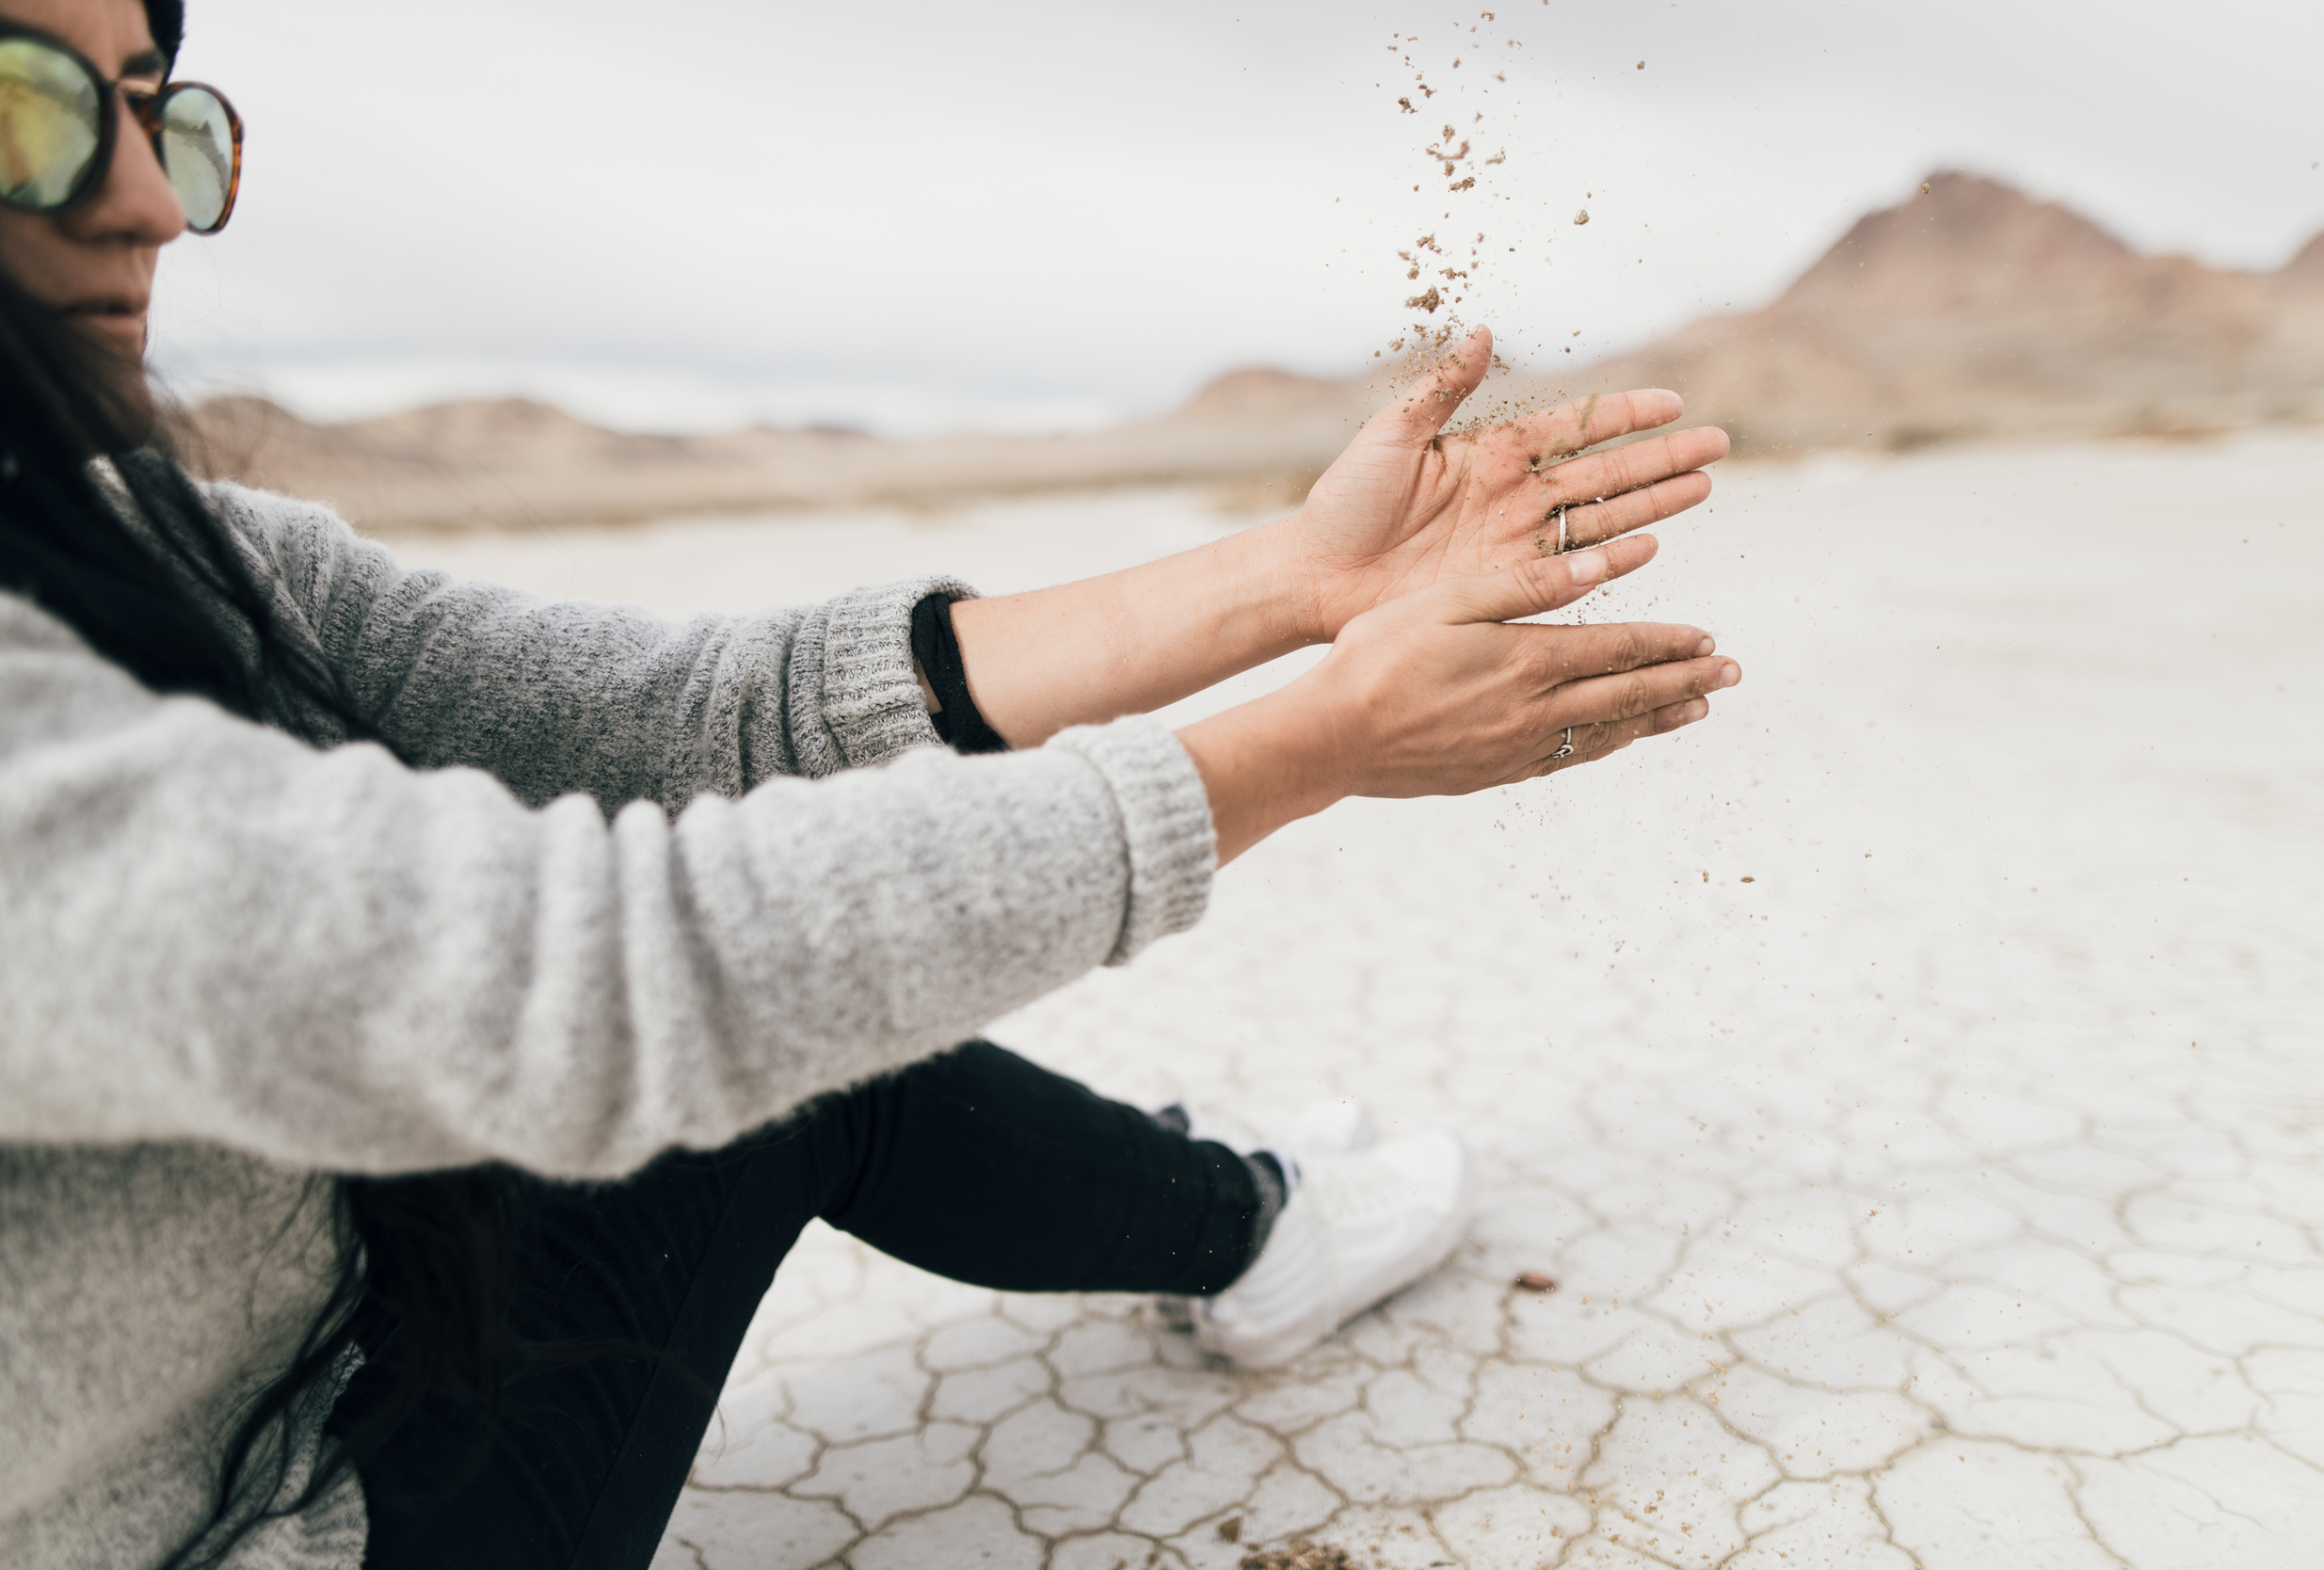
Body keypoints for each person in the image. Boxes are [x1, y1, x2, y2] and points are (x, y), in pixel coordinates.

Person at [0, 2, 1739, 1567]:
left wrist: (1295, 582)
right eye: (33, 107)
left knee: (793, 970)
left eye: (163, 114)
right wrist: (1320, 741)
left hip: (316, 1341)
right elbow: (616, 970)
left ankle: (1239, 1208)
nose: (148, 197)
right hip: (281, 1524)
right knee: (769, 1031)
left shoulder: (161, 541)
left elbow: (692, 721)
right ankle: (1254, 1219)